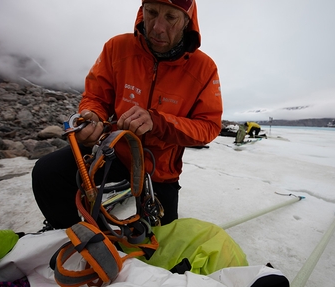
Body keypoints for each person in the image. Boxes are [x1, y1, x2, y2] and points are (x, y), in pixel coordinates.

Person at [32, 0, 223, 229]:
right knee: (48, 173)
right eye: (151, 12)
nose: (157, 28)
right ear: (142, 11)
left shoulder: (203, 68)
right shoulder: (117, 48)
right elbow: (97, 97)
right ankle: (73, 237)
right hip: (114, 152)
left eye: (171, 17)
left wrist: (158, 122)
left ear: (187, 21)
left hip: (159, 168)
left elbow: (208, 127)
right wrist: (92, 116)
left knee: (161, 242)